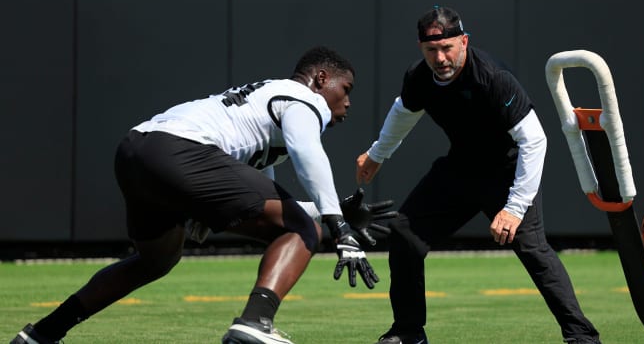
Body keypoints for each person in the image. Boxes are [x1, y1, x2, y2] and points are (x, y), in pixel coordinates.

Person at [10, 46, 382, 344]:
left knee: (155, 260)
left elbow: (268, 201)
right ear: (321, 79)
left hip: (136, 151)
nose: (347, 103)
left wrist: (330, 212)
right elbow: (307, 155)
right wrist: (336, 223)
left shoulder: (263, 111)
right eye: (345, 90)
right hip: (180, 152)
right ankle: (256, 322)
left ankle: (42, 333)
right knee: (304, 231)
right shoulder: (303, 98)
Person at [355, 6, 602, 344]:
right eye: (431, 50)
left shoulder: (492, 77)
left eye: (447, 48)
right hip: (460, 167)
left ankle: (582, 338)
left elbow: (534, 140)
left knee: (532, 250)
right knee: (403, 233)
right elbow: (404, 111)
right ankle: (408, 332)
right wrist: (377, 153)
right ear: (421, 49)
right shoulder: (419, 77)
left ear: (464, 42)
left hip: (507, 170)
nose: (440, 57)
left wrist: (514, 208)